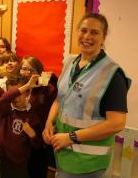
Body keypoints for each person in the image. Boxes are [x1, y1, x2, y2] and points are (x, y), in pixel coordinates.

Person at [42, 13, 130, 177]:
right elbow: (60, 98)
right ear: (77, 32)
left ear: (104, 37)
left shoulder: (112, 74)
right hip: (62, 154)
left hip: (87, 162)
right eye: (83, 30)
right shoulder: (69, 62)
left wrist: (72, 137)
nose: (87, 36)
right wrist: (49, 122)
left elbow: (117, 123)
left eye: (95, 32)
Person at [18, 55, 58, 178]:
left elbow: (58, 106)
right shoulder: (17, 87)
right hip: (19, 139)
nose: (27, 73)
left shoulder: (47, 89)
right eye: (24, 69)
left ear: (39, 72)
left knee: (37, 171)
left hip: (40, 140)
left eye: (31, 70)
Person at [0, 73, 43, 178]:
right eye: (12, 93)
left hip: (19, 165)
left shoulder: (33, 116)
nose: (15, 98)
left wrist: (32, 135)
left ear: (27, 93)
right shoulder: (6, 109)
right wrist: (26, 86)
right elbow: (2, 100)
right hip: (0, 160)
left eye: (19, 93)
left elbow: (37, 145)